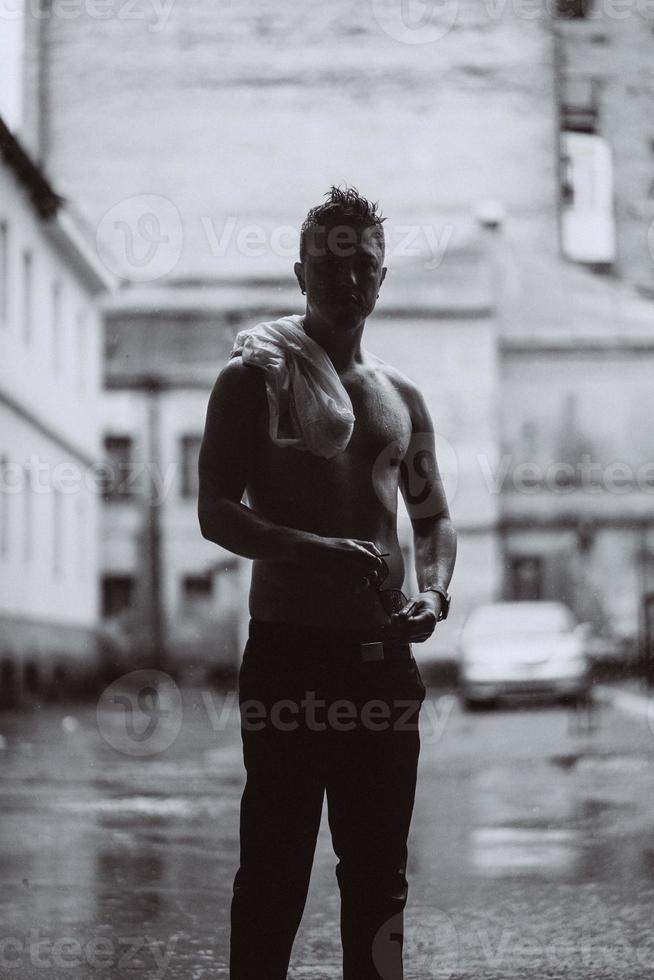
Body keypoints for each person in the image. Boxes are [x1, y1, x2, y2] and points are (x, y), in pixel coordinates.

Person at [198, 185, 457, 980]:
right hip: (288, 659)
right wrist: (316, 551)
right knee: (272, 875)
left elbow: (434, 520)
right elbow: (214, 512)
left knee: (379, 881)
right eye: (329, 265)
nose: (347, 283)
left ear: (382, 280)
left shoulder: (402, 397)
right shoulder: (255, 379)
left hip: (381, 660)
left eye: (364, 269)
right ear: (300, 271)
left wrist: (435, 594)